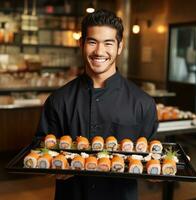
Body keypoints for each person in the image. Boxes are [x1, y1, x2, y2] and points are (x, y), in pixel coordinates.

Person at [36, 9, 158, 200]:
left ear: (119, 47)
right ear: (81, 44)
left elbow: (152, 156)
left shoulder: (143, 102)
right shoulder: (58, 100)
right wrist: (51, 168)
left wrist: (158, 173)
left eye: (108, 43)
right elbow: (41, 148)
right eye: (92, 42)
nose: (99, 51)